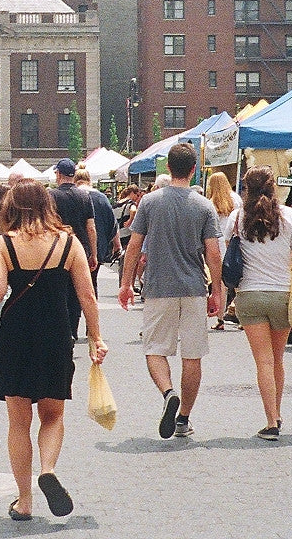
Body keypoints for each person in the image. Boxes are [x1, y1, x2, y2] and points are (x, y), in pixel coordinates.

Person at [0, 181, 107, 521]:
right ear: (47, 205)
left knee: (18, 422)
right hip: (56, 335)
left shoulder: (2, 243)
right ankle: (48, 469)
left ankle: (24, 501)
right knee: (52, 415)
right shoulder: (69, 242)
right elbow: (87, 296)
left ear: (12, 206)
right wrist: (96, 337)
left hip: (16, 337)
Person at [117, 142, 222, 440]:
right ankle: (183, 418)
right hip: (192, 288)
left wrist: (126, 284)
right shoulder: (204, 205)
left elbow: (134, 245)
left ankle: (167, 392)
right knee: (193, 356)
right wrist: (217, 288)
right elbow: (213, 253)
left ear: (168, 168)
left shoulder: (150, 202)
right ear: (193, 169)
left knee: (154, 349)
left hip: (159, 286)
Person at [226, 169, 292, 440]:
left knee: (262, 361)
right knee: (277, 359)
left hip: (249, 296)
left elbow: (230, 253)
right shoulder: (289, 216)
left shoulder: (237, 218)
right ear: (274, 188)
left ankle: (270, 421)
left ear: (246, 188)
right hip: (283, 296)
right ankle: (277, 413)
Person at [49, 158, 97, 340]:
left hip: (57, 248)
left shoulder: (51, 195)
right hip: (80, 248)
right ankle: (74, 329)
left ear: (59, 174)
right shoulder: (85, 196)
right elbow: (91, 227)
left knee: (59, 288)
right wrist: (93, 253)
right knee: (78, 290)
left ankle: (63, 329)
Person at [204, 172, 238, 331]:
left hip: (217, 246)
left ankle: (220, 318)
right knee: (239, 283)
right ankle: (242, 318)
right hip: (235, 245)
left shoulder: (209, 203)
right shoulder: (236, 199)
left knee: (220, 284)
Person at [78, 171, 120, 297]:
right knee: (92, 282)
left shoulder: (74, 196)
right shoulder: (102, 198)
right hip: (98, 246)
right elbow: (113, 223)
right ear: (89, 180)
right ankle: (92, 313)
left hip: (76, 247)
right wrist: (117, 245)